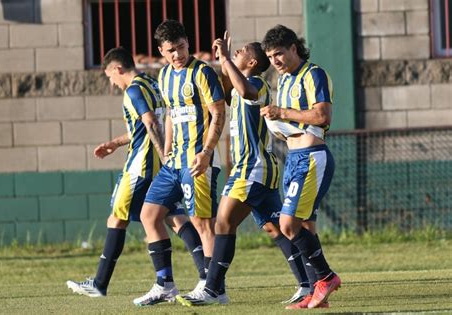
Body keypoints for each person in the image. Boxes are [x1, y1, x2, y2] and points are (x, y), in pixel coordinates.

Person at [174, 32, 310, 306]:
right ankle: (309, 283)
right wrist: (223, 62)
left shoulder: (256, 84)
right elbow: (226, 91)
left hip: (253, 167)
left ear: (251, 61)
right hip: (254, 168)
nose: (236, 53)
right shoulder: (238, 86)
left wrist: (226, 59)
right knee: (274, 228)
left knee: (223, 222)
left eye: (241, 52)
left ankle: (213, 288)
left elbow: (246, 90)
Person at [66, 47, 207, 298]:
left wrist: (164, 156)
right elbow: (144, 125)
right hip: (161, 167)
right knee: (174, 217)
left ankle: (100, 283)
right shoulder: (152, 84)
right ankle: (205, 275)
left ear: (117, 69)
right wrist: (114, 143)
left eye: (110, 77)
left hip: (140, 168)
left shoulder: (132, 90)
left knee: (116, 218)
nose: (112, 83)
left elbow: (151, 122)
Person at [132, 20, 226, 306]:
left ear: (188, 42)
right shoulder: (163, 76)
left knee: (202, 223)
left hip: (199, 159)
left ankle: (214, 288)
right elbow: (171, 113)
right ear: (161, 51)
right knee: (149, 215)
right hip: (174, 162)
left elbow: (218, 113)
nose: (177, 55)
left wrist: (208, 151)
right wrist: (168, 150)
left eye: (181, 47)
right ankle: (165, 285)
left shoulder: (203, 73)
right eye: (171, 50)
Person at [260, 25, 341, 309]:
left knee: (288, 225)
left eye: (279, 54)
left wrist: (281, 113)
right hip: (294, 158)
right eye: (270, 56)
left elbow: (321, 116)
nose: (275, 61)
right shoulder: (283, 81)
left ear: (294, 48)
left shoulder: (313, 74)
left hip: (311, 157)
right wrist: (278, 124)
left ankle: (327, 277)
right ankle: (315, 292)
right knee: (306, 225)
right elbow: (295, 123)